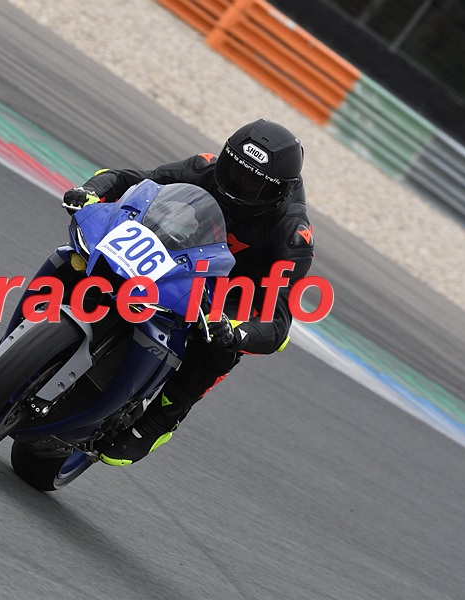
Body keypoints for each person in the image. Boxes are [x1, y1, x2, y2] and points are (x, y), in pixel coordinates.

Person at [62, 119, 315, 466]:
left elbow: (279, 323)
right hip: (191, 255)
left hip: (239, 292)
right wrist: (90, 191)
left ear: (278, 193)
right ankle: (53, 322)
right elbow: (135, 180)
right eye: (234, 171)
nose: (237, 184)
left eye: (254, 183)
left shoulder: (293, 234)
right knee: (84, 253)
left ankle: (163, 417)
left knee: (217, 344)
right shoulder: (205, 168)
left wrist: (238, 332)